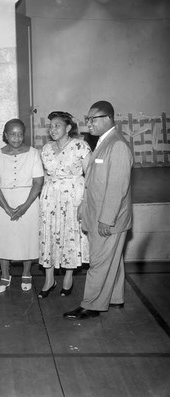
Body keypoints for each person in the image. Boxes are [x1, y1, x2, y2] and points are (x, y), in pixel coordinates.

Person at [64, 101, 133, 320]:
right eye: (87, 119)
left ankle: (91, 305)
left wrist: (106, 219)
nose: (88, 124)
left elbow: (117, 187)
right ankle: (114, 297)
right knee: (112, 260)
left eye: (93, 119)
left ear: (108, 118)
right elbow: (94, 181)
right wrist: (85, 205)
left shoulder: (117, 145)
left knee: (99, 261)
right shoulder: (103, 142)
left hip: (108, 218)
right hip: (99, 213)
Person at [38, 111, 91, 298]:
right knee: (49, 235)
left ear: (68, 128)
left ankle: (68, 277)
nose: (53, 129)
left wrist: (85, 202)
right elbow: (44, 175)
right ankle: (49, 278)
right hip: (50, 197)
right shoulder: (45, 149)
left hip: (73, 197)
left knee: (70, 234)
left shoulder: (80, 146)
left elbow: (90, 176)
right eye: (51, 126)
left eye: (57, 125)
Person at [0, 119, 44, 293]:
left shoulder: (34, 153)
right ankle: (5, 275)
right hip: (2, 201)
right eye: (12, 134)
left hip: (28, 200)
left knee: (27, 238)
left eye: (20, 134)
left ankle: (27, 273)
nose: (17, 137)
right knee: (3, 239)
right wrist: (6, 207)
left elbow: (38, 181)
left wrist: (26, 206)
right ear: (5, 135)